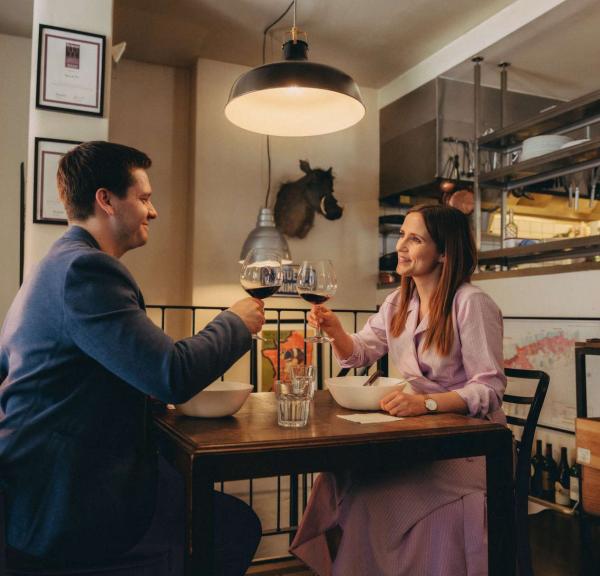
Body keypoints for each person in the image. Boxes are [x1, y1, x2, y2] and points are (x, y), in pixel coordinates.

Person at [0, 141, 264, 575]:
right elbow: (171, 373)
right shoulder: (87, 271)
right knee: (233, 527)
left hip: (38, 489)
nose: (153, 210)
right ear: (106, 200)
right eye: (143, 198)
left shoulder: (53, 266)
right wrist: (235, 322)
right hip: (70, 500)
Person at [290, 204, 506, 576]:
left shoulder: (471, 303)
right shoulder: (399, 302)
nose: (400, 246)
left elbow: (489, 389)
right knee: (340, 476)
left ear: (444, 252)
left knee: (371, 493)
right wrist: (334, 330)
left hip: (469, 451)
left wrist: (426, 404)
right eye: (402, 235)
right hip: (417, 439)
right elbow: (360, 353)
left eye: (415, 238)